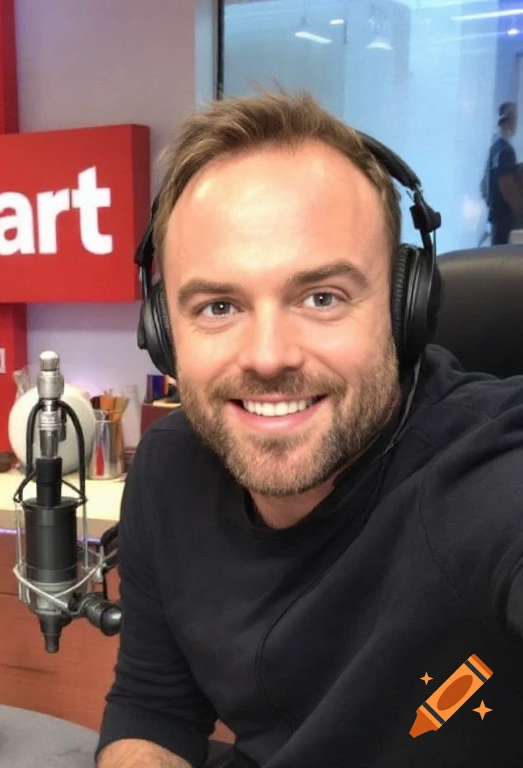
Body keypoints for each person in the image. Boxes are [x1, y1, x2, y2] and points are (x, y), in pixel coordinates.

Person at [97, 92, 523, 767]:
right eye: (218, 305)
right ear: (163, 333)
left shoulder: (486, 478)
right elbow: (154, 705)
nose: (268, 356)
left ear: (404, 306)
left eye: (321, 297)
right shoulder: (168, 470)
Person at [484, 101, 523, 245]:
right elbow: (507, 187)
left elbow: (485, 186)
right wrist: (520, 213)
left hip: (496, 217)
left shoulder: (495, 148)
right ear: (508, 118)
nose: (516, 122)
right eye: (515, 118)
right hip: (506, 220)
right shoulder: (505, 151)